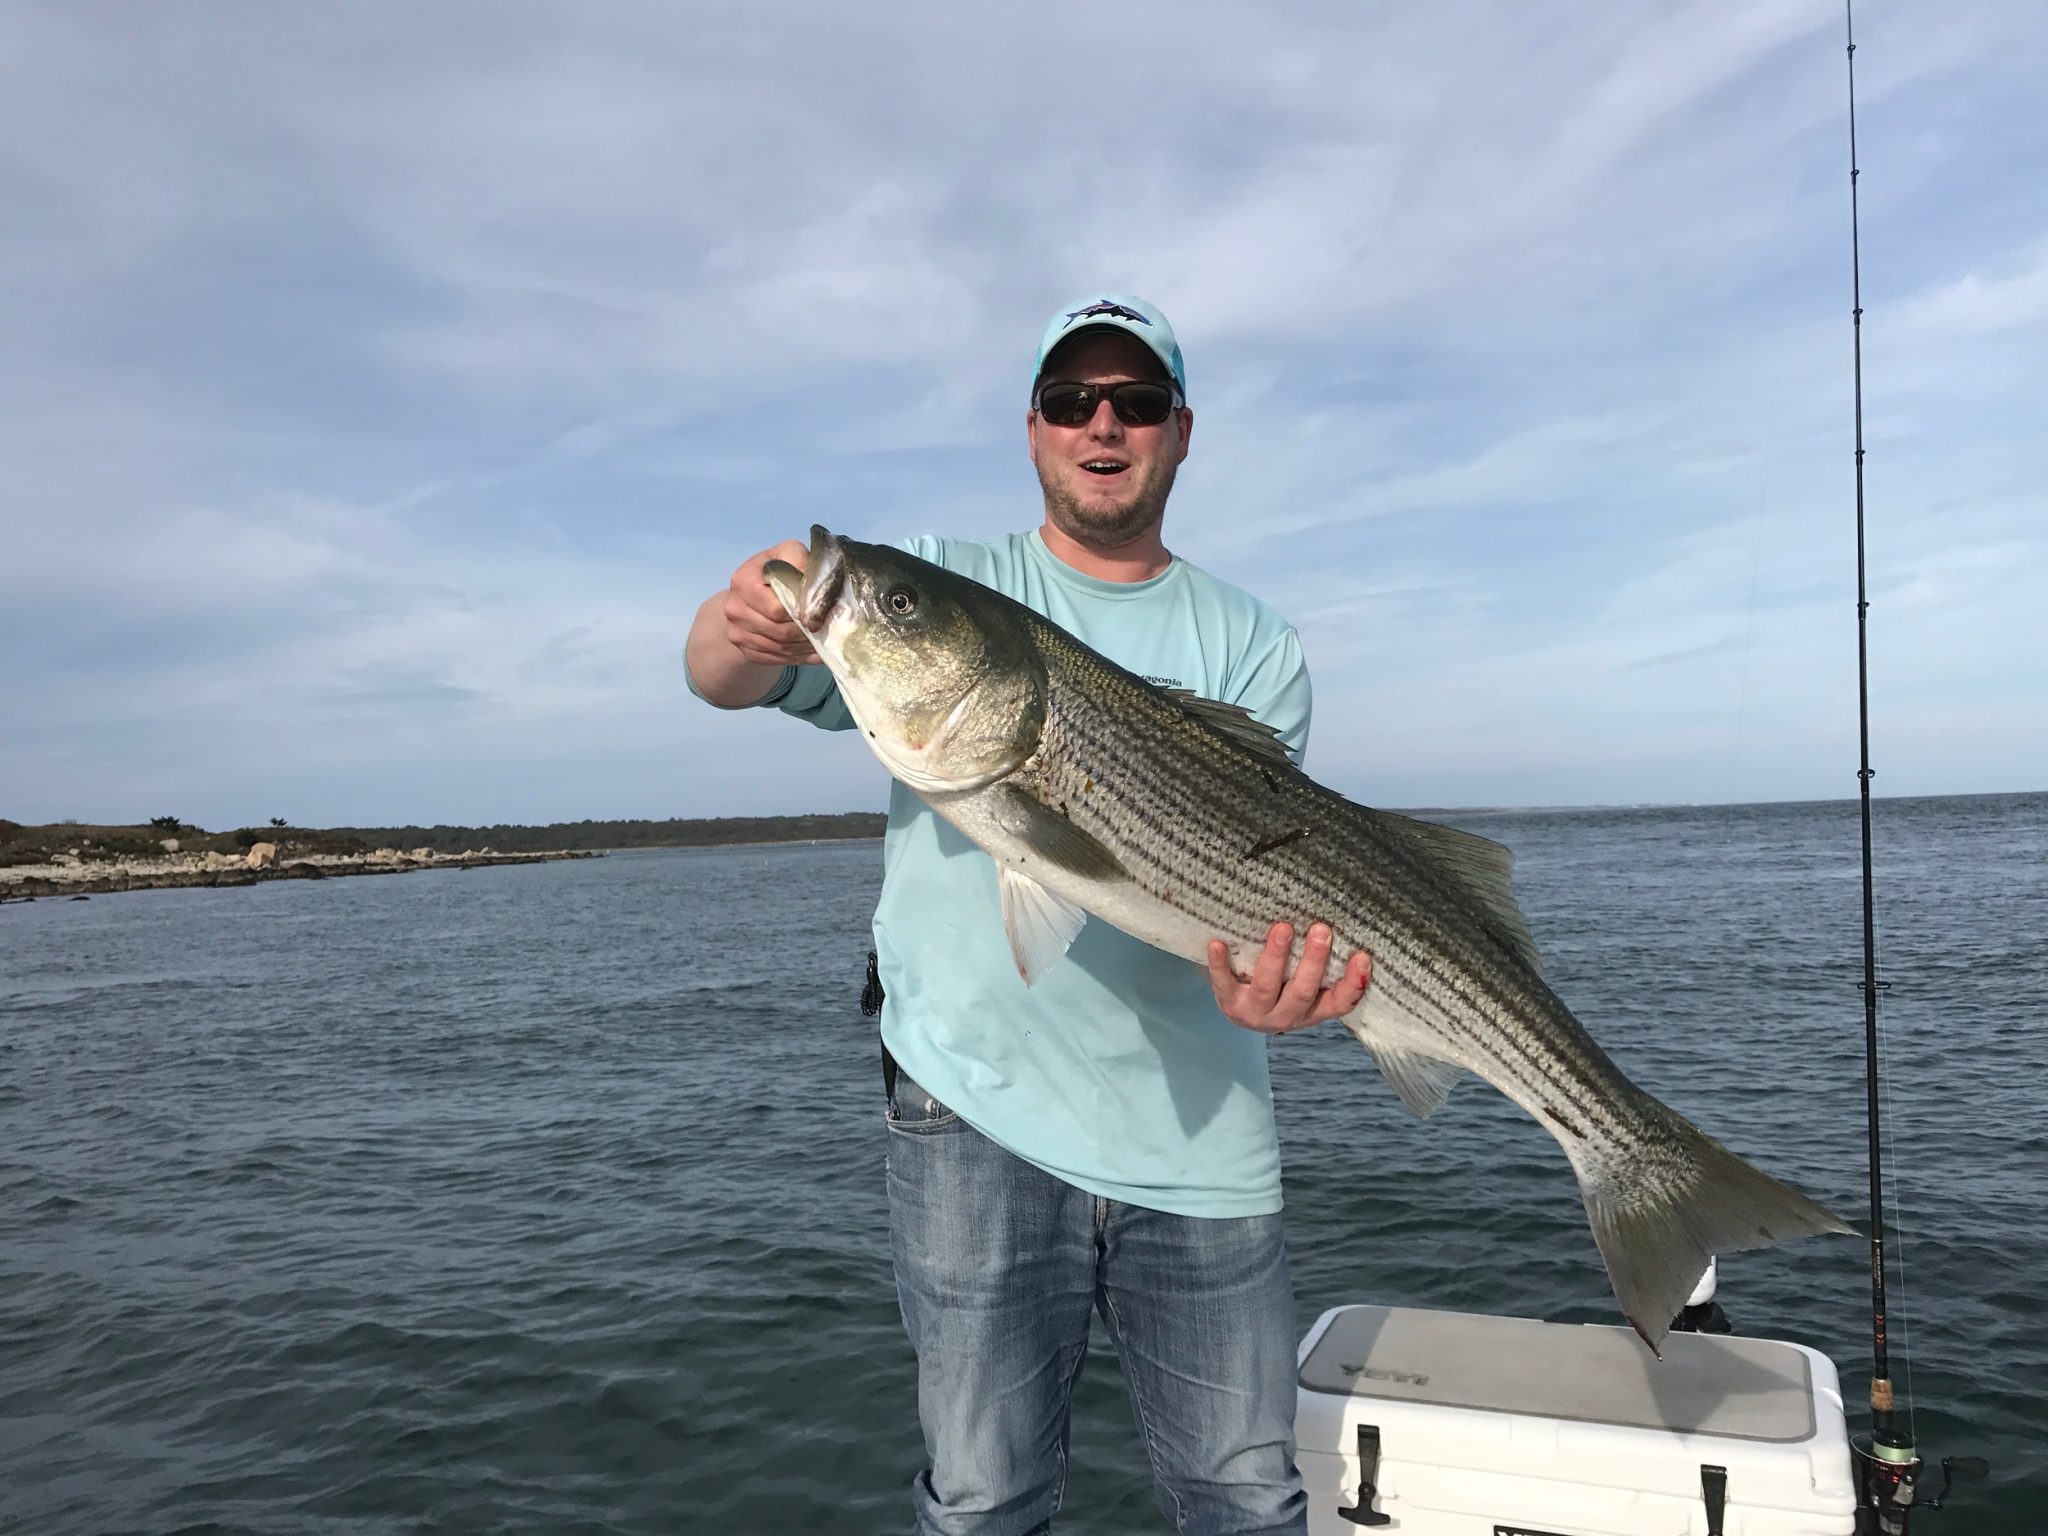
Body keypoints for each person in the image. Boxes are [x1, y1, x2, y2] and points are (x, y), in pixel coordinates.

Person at [685, 294, 1372, 1536]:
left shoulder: (1252, 641)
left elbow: (1260, 882)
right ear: (1033, 427)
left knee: (1246, 1501)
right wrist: (740, 624)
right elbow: (721, 674)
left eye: (1136, 402)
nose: (1101, 424)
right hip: (967, 1117)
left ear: (1179, 432)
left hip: (1197, 1143)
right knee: (982, 1505)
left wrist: (1283, 985)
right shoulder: (946, 582)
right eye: (1070, 400)